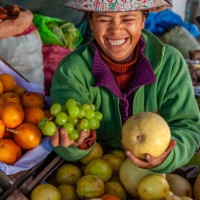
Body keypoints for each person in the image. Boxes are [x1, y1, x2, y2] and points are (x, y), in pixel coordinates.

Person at [50, 0, 200, 174]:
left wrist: (168, 157)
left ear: (143, 19)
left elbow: (187, 126)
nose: (116, 30)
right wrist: (76, 143)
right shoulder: (72, 70)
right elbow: (68, 133)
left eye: (127, 19)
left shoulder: (170, 63)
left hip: (156, 178)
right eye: (104, 19)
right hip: (95, 175)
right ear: (91, 22)